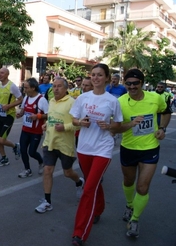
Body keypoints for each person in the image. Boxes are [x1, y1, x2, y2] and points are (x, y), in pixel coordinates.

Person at [69, 63, 123, 246]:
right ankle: (99, 208)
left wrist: (109, 126)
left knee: (88, 188)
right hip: (84, 147)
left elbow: (118, 125)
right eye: (93, 75)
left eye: (100, 75)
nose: (96, 78)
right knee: (93, 181)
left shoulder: (112, 101)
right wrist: (80, 122)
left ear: (107, 78)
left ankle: (79, 234)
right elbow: (74, 119)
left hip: (103, 148)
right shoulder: (83, 98)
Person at [116, 69, 168, 239]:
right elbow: (115, 128)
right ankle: (130, 204)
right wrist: (130, 124)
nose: (132, 86)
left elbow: (165, 111)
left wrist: (162, 128)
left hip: (150, 148)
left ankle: (135, 219)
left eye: (135, 83)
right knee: (129, 181)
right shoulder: (120, 102)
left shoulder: (155, 98)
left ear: (142, 84)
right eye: (128, 83)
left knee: (142, 187)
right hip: (128, 148)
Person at [35, 77, 84, 214]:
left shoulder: (72, 102)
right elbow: (51, 118)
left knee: (67, 172)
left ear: (66, 88)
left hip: (64, 144)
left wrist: (65, 126)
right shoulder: (51, 101)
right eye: (54, 86)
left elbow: (78, 123)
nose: (56, 89)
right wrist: (46, 124)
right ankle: (47, 202)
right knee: (47, 170)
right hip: (49, 142)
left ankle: (79, 182)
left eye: (59, 86)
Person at [0, 67, 23, 167]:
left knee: (2, 140)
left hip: (9, 115)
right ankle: (4, 158)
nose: (0, 74)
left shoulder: (12, 86)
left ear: (7, 74)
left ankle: (15, 146)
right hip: (0, 115)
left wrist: (9, 106)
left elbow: (21, 99)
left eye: (2, 73)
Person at [15, 78, 48, 178]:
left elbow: (48, 115)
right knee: (23, 150)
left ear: (33, 88)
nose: (24, 90)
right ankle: (27, 169)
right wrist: (20, 114)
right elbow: (23, 109)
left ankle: (41, 161)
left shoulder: (42, 100)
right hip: (25, 129)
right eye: (24, 87)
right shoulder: (26, 98)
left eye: (26, 88)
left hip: (36, 131)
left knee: (32, 152)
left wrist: (37, 116)